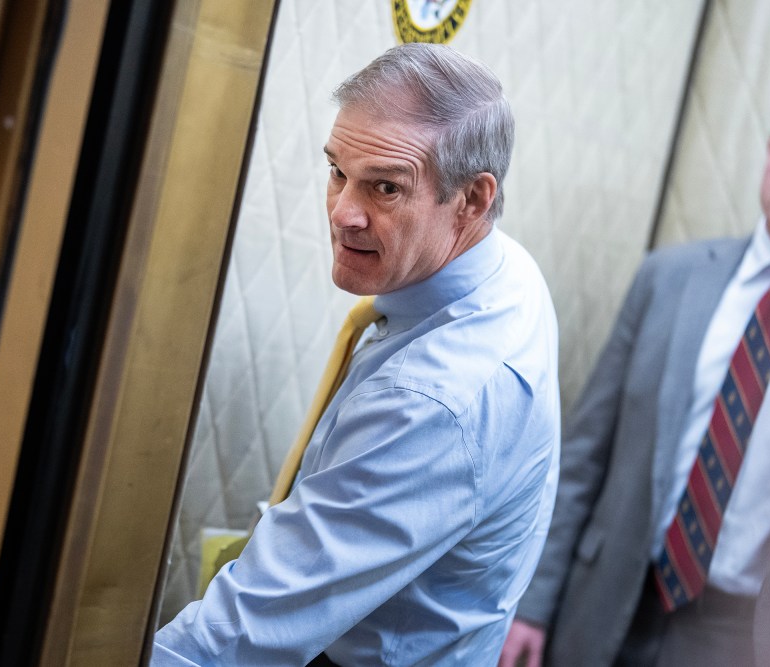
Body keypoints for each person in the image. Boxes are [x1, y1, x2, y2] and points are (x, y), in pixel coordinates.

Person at [152, 44, 560, 666]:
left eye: (385, 188)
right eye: (338, 172)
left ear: (473, 201)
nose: (343, 212)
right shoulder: (503, 270)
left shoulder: (431, 399)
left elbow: (240, 638)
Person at [499, 97, 770, 667]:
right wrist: (530, 604)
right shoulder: (669, 278)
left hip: (736, 634)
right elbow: (583, 456)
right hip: (601, 595)